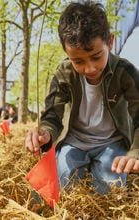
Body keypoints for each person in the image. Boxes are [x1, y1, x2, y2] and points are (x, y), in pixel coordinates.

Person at [25, 1, 139, 194]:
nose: (90, 68)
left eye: (96, 56)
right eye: (78, 61)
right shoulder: (64, 73)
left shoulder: (125, 72)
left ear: (110, 42)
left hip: (111, 141)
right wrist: (45, 132)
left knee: (110, 191)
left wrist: (135, 152)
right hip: (74, 141)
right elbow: (53, 114)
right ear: (67, 53)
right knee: (64, 189)